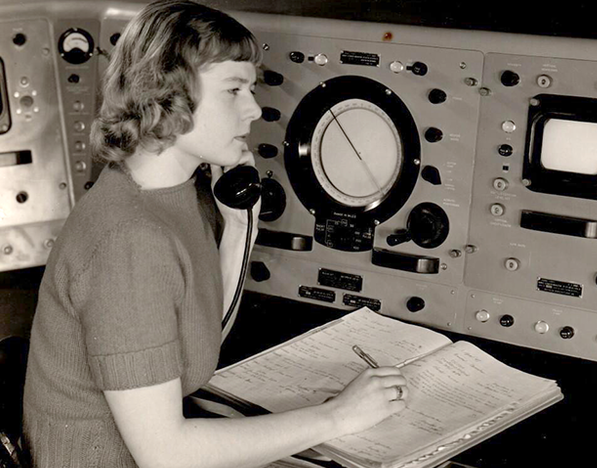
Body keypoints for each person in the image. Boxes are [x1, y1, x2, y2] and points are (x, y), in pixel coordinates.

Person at [21, 1, 408, 467]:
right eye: (234, 90)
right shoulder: (130, 242)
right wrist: (337, 417)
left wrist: (240, 225)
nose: (254, 108)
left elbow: (200, 340)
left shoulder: (173, 193)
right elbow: (167, 454)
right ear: (168, 95)